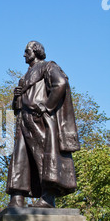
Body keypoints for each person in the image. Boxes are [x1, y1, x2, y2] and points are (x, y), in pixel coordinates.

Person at [6, 41, 80, 208]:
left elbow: (60, 83)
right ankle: (17, 197)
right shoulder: (24, 77)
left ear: (36, 51)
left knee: (44, 156)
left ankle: (48, 198)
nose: (24, 55)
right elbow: (16, 107)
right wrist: (16, 97)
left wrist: (47, 106)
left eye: (27, 51)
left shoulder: (48, 66)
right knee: (20, 158)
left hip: (40, 119)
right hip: (24, 120)